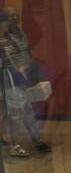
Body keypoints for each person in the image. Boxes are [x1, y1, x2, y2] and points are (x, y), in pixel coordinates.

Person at [0, 8, 50, 156]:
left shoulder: (14, 36)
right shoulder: (8, 37)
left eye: (16, 16)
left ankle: (35, 140)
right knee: (11, 113)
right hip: (7, 80)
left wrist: (25, 70)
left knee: (23, 110)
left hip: (17, 78)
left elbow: (24, 54)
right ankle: (15, 144)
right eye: (10, 18)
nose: (14, 20)